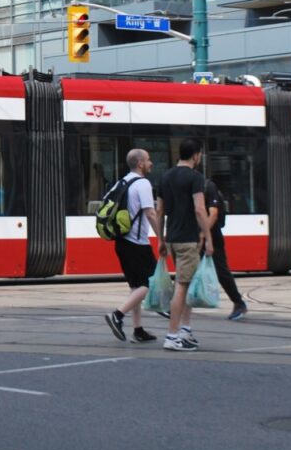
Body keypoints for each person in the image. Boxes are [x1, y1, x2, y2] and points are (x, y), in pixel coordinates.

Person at [103, 149, 165, 344]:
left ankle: (138, 330)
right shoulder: (142, 183)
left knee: (136, 287)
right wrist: (161, 238)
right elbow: (151, 213)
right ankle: (117, 315)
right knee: (150, 283)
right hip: (137, 244)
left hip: (121, 242)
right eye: (148, 160)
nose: (151, 163)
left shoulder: (122, 182)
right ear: (140, 164)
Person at [156, 139, 212, 352]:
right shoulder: (195, 177)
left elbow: (159, 211)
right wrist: (208, 238)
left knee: (186, 284)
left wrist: (160, 239)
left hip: (171, 237)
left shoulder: (165, 176)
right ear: (196, 155)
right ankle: (172, 336)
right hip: (188, 239)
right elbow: (200, 209)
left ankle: (185, 331)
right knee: (181, 286)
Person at [203, 178, 247, 320]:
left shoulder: (207, 186)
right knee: (186, 272)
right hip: (195, 235)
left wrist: (203, 234)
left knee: (221, 271)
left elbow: (213, 214)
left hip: (213, 236)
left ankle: (238, 303)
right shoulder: (194, 186)